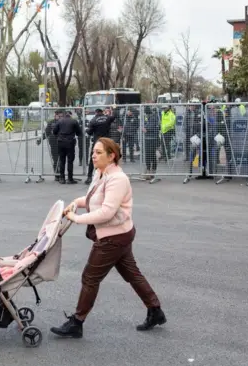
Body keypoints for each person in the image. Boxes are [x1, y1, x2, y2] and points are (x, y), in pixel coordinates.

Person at [51, 138, 165, 338]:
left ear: (111, 156)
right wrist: (75, 203)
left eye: (98, 152)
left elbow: (106, 212)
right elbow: (93, 200)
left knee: (90, 278)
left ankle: (77, 322)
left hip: (113, 237)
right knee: (132, 274)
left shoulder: (118, 179)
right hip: (119, 234)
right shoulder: (101, 173)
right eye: (93, 152)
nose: (93, 156)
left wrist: (77, 218)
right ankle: (155, 310)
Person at [84, 108, 115, 184]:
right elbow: (114, 117)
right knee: (107, 158)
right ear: (102, 112)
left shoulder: (93, 120)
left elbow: (90, 132)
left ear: (96, 112)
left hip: (97, 142)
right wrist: (113, 109)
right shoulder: (107, 118)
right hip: (106, 142)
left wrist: (86, 130)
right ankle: (106, 176)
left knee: (93, 159)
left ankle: (89, 177)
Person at [53, 111, 82, 184]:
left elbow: (54, 131)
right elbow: (79, 132)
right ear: (70, 115)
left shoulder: (60, 121)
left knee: (62, 161)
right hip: (70, 143)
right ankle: (70, 179)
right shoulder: (74, 121)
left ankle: (62, 178)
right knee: (70, 161)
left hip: (61, 142)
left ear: (64, 115)